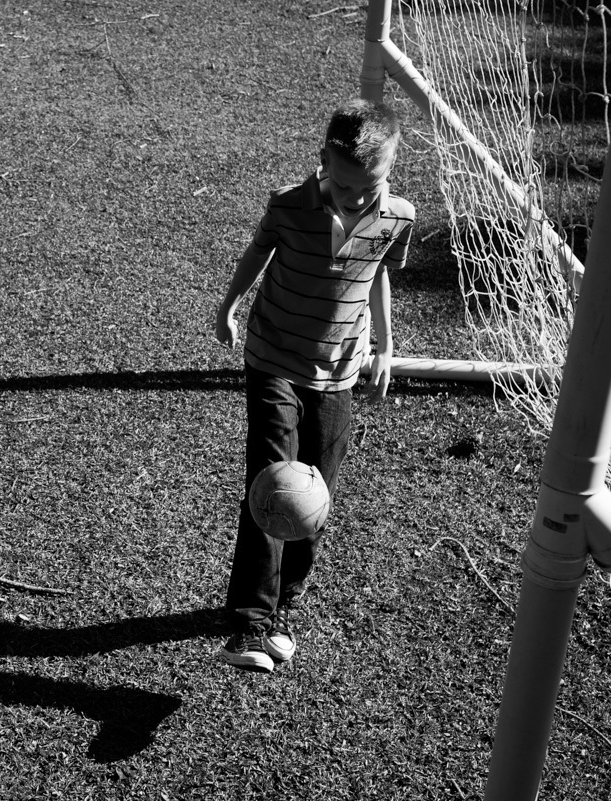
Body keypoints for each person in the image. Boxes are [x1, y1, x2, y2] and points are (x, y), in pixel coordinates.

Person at [213, 99, 415, 672]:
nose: (356, 197)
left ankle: (285, 605)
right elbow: (258, 253)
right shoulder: (288, 205)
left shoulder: (398, 216)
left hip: (340, 369)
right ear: (323, 159)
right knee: (275, 479)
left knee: (316, 492)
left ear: (389, 169)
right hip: (274, 357)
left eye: (368, 185)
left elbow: (376, 278)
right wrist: (229, 305)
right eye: (345, 185)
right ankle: (249, 626)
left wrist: (386, 345)